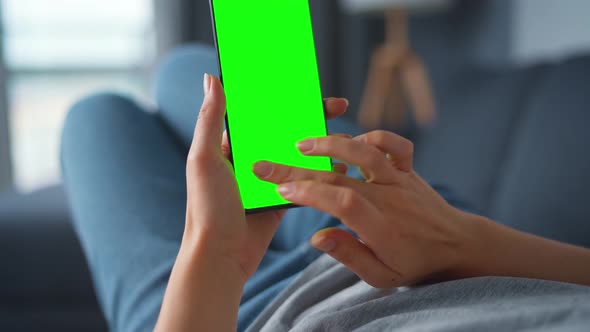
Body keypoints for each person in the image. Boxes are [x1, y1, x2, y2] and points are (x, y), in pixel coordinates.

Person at [62, 47, 590, 332]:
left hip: (241, 311)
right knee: (185, 70)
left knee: (96, 116)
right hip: (446, 242)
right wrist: (462, 240)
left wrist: (214, 257)